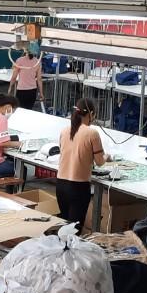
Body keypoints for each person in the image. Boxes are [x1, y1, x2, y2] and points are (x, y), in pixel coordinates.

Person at [56, 98, 104, 231]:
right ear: (91, 114)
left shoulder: (64, 130)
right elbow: (100, 162)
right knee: (74, 231)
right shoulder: (92, 133)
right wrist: (108, 157)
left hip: (61, 184)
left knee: (65, 228)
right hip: (78, 187)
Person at [8, 45, 44, 110]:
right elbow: (39, 79)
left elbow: (14, 77)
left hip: (21, 91)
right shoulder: (37, 62)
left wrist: (10, 88)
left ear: (25, 50)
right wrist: (41, 93)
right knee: (29, 110)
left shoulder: (19, 60)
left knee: (20, 111)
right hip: (32, 91)